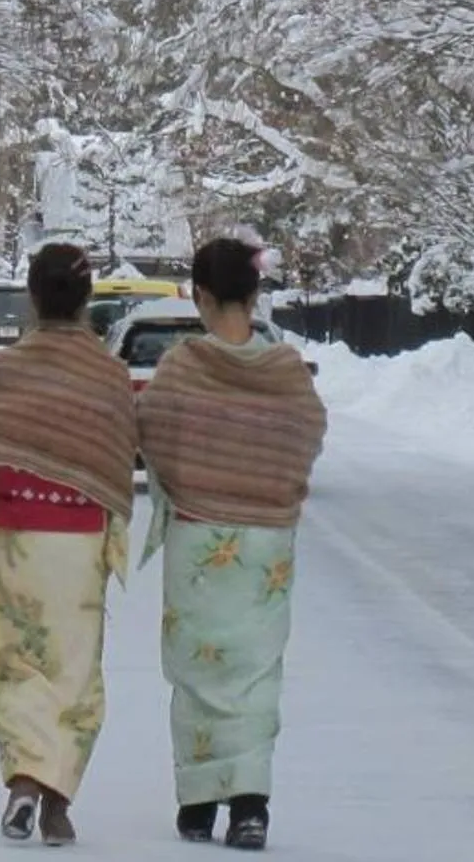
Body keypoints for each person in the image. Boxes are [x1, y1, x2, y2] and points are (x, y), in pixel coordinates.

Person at [135, 237, 328, 852]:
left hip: (198, 537)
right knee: (256, 670)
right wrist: (274, 487)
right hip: (266, 545)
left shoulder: (184, 368)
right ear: (254, 294)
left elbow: (154, 437)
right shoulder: (287, 372)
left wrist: (196, 478)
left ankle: (196, 802)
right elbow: (308, 433)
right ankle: (251, 804)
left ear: (200, 296)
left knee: (196, 668)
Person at [0, 242, 137, 846]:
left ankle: (23, 785)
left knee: (16, 662)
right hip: (80, 542)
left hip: (15, 537)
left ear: (33, 297)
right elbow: (116, 460)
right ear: (87, 300)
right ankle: (58, 802)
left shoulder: (1, 371)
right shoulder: (108, 374)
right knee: (75, 670)